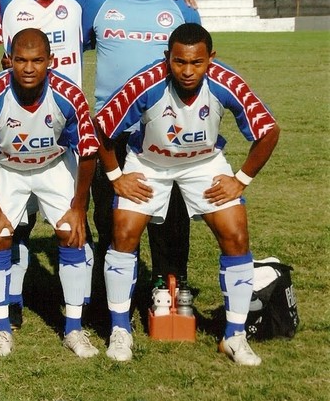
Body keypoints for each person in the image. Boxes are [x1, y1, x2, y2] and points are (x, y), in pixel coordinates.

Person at [94, 23, 279, 365]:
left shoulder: (226, 81)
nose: (188, 71)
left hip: (204, 164)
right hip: (149, 164)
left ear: (211, 58)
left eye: (197, 63)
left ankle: (234, 336)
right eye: (179, 62)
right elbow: (101, 127)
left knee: (236, 234)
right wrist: (116, 177)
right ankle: (120, 330)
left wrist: (240, 179)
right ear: (168, 58)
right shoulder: (145, 83)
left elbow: (268, 130)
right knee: (124, 232)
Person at [83, 0, 201, 301]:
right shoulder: (99, 4)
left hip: (165, 129)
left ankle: (169, 287)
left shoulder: (180, 6)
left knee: (170, 216)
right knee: (110, 213)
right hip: (112, 130)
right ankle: (114, 291)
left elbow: (196, 62)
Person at [0, 28, 100, 358]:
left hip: (53, 165)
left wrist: (78, 206)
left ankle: (73, 329)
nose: (29, 68)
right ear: (9, 60)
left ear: (50, 62)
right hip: (8, 167)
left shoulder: (68, 94)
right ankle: (1, 329)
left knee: (71, 233)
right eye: (22, 60)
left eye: (38, 61)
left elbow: (87, 151)